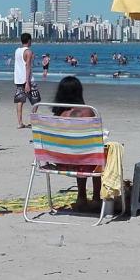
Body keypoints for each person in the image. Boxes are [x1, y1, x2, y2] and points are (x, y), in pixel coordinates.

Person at [51, 76, 102, 211]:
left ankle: (81, 197)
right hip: (85, 161)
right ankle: (96, 198)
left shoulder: (59, 115)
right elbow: (95, 139)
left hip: (62, 162)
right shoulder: (88, 111)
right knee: (98, 153)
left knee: (81, 152)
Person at [13, 33, 40, 128]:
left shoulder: (17, 51)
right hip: (27, 80)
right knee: (36, 100)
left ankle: (20, 122)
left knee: (20, 101)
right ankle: (32, 120)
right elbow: (27, 66)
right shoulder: (28, 52)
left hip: (18, 79)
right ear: (29, 40)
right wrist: (27, 82)